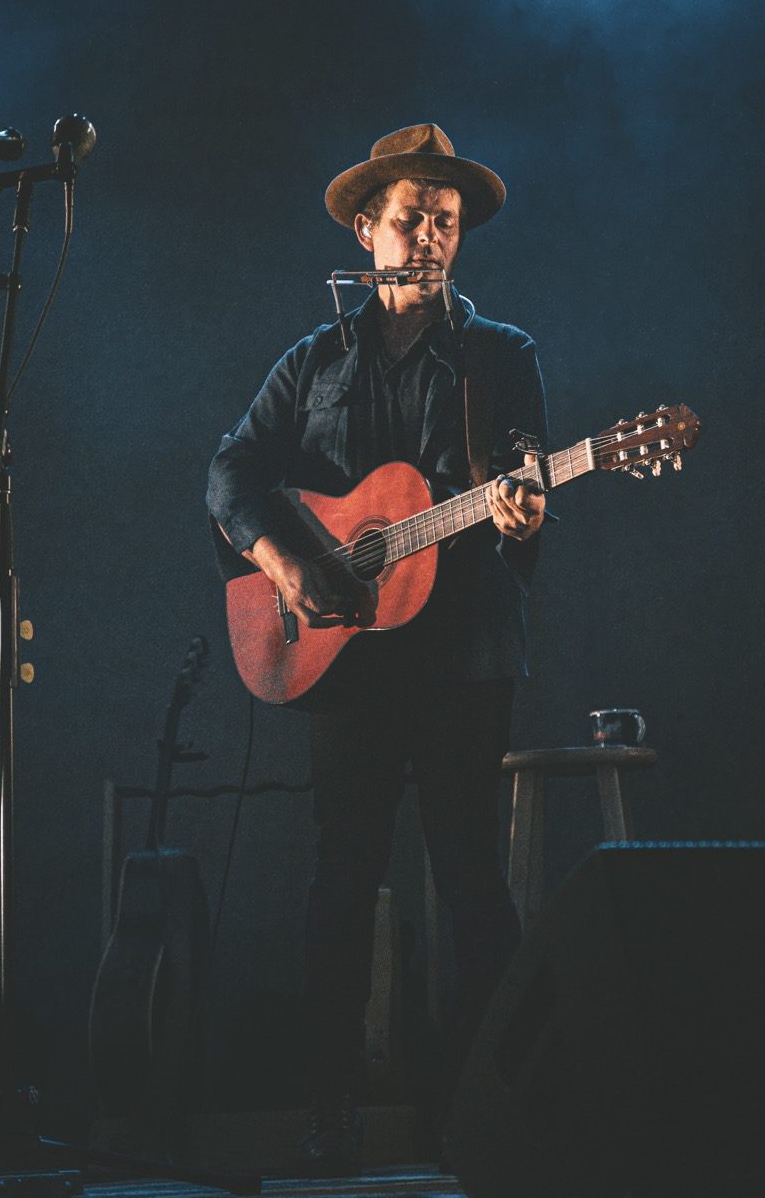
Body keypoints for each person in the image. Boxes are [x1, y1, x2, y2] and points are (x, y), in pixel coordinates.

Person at [206, 123, 548, 1175]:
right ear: (368, 226)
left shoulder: (503, 357)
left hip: (461, 659)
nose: (434, 236)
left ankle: (485, 1116)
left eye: (447, 222)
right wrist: (289, 561)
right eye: (414, 218)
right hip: (343, 659)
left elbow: (525, 479)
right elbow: (232, 472)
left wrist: (524, 511)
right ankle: (329, 1113)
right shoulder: (313, 358)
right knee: (340, 883)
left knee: (472, 883)